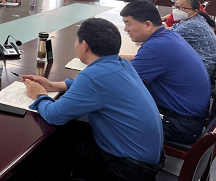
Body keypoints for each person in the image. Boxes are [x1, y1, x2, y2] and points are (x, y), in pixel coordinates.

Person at [24, 18, 164, 181]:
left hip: (125, 168)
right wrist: (54, 85)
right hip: (146, 162)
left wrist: (39, 95)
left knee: (52, 145)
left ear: (84, 45)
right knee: (72, 130)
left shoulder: (93, 76)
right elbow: (98, 85)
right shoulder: (122, 64)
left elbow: (54, 115)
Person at [120, 0, 210, 145]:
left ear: (147, 25)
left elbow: (122, 84)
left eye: (128, 23)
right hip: (187, 117)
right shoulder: (167, 36)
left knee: (108, 115)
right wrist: (111, 57)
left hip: (180, 125)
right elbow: (139, 59)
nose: (126, 29)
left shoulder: (156, 47)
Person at [171, 0, 216, 79]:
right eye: (176, 6)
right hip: (202, 65)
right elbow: (172, 29)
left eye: (183, 7)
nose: (177, 10)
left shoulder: (192, 25)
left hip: (201, 71)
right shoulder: (196, 19)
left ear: (195, 11)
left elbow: (165, 40)